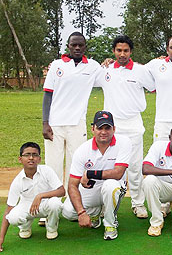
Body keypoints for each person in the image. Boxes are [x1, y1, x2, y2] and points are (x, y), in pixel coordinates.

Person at [95, 35, 155, 219]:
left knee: (135, 167)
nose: (122, 54)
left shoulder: (140, 70)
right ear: (113, 51)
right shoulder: (104, 70)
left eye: (126, 50)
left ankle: (138, 203)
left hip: (133, 123)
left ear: (131, 52)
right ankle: (110, 203)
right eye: (119, 50)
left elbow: (153, 87)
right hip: (111, 126)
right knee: (112, 165)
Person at [62, 111, 132, 240]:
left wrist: (89, 173)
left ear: (114, 129)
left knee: (110, 186)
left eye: (107, 128)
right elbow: (72, 184)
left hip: (115, 185)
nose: (103, 132)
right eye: (100, 128)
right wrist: (82, 213)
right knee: (68, 212)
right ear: (93, 129)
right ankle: (95, 212)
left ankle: (110, 225)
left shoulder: (124, 142)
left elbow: (118, 173)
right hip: (91, 188)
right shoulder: (82, 150)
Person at [42, 32, 100, 186]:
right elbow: (48, 94)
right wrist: (45, 123)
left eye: (80, 45)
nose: (77, 47)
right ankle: (52, 200)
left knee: (75, 164)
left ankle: (71, 200)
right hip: (55, 124)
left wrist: (108, 61)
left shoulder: (93, 66)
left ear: (85, 47)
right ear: (68, 46)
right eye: (74, 44)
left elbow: (110, 75)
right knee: (53, 165)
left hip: (77, 123)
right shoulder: (56, 65)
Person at [0, 142, 64, 251]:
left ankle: (52, 227)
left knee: (56, 203)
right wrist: (1, 238)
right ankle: (25, 226)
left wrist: (40, 196)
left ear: (39, 159)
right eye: (27, 155)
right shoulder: (17, 181)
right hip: (27, 207)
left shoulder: (47, 170)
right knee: (13, 217)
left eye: (35, 155)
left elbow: (61, 191)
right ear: (20, 159)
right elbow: (9, 209)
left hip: (45, 205)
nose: (31, 158)